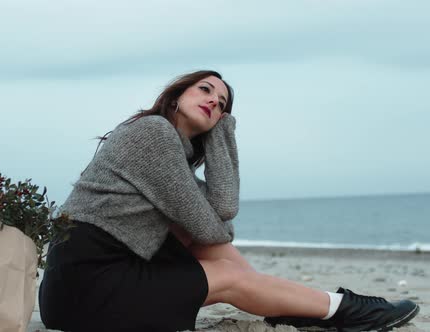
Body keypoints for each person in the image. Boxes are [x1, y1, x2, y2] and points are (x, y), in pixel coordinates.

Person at [38, 70, 419, 332]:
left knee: (205, 242)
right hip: (87, 284)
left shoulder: (178, 158)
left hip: (98, 280)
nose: (213, 102)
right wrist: (209, 224)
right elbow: (215, 223)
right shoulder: (152, 133)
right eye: (205, 90)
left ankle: (297, 305)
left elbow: (221, 210)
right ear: (176, 94)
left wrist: (221, 133)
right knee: (224, 268)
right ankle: (342, 309)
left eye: (221, 104)